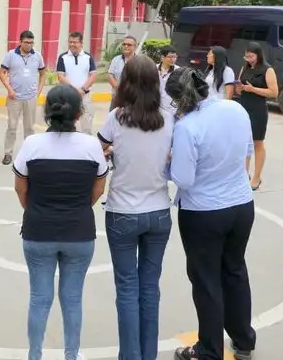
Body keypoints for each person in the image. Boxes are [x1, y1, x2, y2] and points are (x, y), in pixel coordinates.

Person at [13, 85, 110, 360]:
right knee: (72, 299)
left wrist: (34, 209)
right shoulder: (91, 145)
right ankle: (71, 354)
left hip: (38, 230)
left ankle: (35, 355)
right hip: (79, 231)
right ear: (79, 113)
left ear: (47, 112)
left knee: (39, 299)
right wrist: (77, 208)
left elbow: (20, 188)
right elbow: (98, 189)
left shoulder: (32, 144)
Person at [169, 69, 257, 360]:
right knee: (234, 270)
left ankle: (208, 349)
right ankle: (243, 339)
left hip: (204, 211)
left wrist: (168, 161)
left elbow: (183, 178)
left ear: (180, 100)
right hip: (241, 204)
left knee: (206, 279)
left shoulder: (188, 126)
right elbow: (246, 150)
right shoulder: (235, 109)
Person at [97, 56, 174, 360]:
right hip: (158, 211)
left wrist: (116, 151)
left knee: (127, 288)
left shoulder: (117, 117)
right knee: (150, 288)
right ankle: (148, 354)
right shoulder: (168, 118)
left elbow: (98, 150)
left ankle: (130, 355)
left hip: (122, 212)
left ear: (126, 82)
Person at [0, 30, 47, 166]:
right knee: (12, 127)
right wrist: (9, 89)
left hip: (30, 98)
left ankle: (29, 153)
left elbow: (43, 73)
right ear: (20, 42)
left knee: (29, 128)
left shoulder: (37, 56)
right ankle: (8, 153)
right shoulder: (11, 55)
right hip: (14, 98)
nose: (29, 45)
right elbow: (2, 73)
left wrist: (38, 92)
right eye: (26, 43)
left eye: (31, 43)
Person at [236, 42, 278, 191]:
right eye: (246, 56)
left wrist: (253, 89)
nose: (248, 59)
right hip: (244, 107)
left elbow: (274, 92)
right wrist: (240, 88)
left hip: (258, 109)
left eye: (251, 56)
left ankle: (257, 176)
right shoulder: (245, 68)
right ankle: (243, 174)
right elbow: (239, 89)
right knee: (244, 142)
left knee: (257, 142)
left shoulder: (267, 70)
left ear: (258, 55)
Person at [55, 31, 97, 134]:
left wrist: (83, 89)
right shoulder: (62, 57)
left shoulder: (88, 57)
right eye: (70, 42)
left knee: (86, 127)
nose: (72, 45)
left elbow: (93, 75)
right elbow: (60, 77)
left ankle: (86, 148)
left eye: (75, 42)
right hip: (68, 97)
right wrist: (75, 90)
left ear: (81, 43)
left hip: (85, 96)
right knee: (67, 126)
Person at [108, 35, 137, 109]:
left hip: (133, 99)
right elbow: (110, 75)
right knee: (113, 118)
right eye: (124, 44)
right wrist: (119, 89)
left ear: (134, 47)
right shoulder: (116, 60)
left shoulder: (139, 61)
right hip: (117, 97)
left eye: (129, 45)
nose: (126, 46)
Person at [157, 45, 181, 116]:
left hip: (170, 108)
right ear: (162, 57)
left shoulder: (179, 71)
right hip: (155, 105)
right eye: (170, 57)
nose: (173, 59)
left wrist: (176, 106)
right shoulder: (153, 68)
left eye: (175, 57)